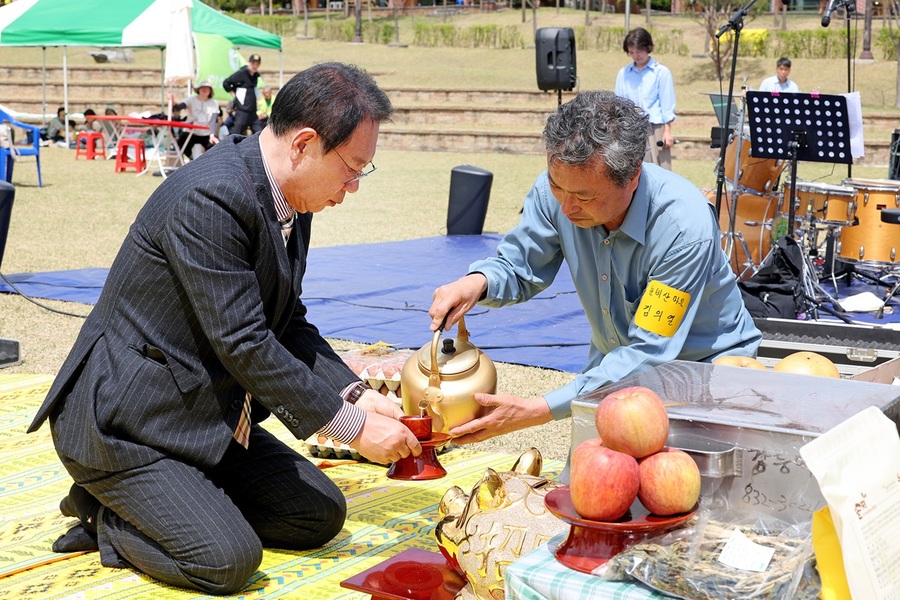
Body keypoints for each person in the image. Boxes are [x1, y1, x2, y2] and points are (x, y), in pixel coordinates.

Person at [27, 62, 420, 595]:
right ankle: (109, 516)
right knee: (227, 561)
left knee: (317, 515)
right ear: (304, 144)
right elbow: (246, 343)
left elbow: (286, 323)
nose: (353, 187)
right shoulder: (210, 198)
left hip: (199, 416)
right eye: (352, 168)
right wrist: (347, 425)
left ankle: (172, 506)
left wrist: (356, 394)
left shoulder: (291, 200)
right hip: (126, 423)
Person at [427, 91, 762, 446]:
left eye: (585, 197)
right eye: (557, 186)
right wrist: (477, 282)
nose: (567, 208)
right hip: (613, 365)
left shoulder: (682, 227)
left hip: (706, 371)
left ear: (633, 175)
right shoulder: (554, 192)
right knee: (591, 489)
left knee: (681, 490)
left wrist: (541, 408)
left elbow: (649, 351)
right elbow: (520, 265)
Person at [614, 28, 676, 170]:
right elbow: (618, 104)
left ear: (647, 47)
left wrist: (667, 131)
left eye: (639, 51)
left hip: (655, 128)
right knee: (633, 172)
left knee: (660, 171)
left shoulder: (661, 72)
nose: (636, 55)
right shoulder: (623, 74)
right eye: (631, 52)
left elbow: (667, 104)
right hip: (631, 129)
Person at [168, 80, 220, 159]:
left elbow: (213, 120)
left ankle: (207, 163)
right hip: (191, 131)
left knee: (214, 147)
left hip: (206, 133)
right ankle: (192, 159)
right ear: (198, 89)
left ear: (210, 91)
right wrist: (173, 102)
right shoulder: (191, 99)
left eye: (207, 88)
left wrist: (212, 135)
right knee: (181, 141)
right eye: (202, 88)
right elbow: (179, 107)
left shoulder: (214, 103)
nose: (204, 90)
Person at [223, 53, 262, 137]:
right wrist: (234, 95)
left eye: (257, 64)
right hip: (242, 110)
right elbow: (226, 83)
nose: (254, 66)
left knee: (259, 133)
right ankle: (231, 149)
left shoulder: (255, 76)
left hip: (253, 111)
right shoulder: (242, 73)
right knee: (236, 134)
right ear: (249, 62)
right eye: (253, 63)